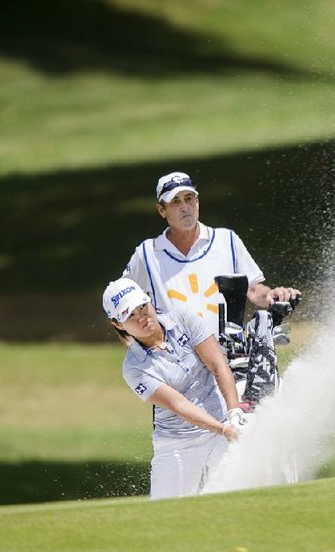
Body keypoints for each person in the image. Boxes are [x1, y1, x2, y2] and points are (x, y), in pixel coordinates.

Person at [122, 171, 301, 407]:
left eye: (189, 199)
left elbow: (253, 289)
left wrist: (272, 296)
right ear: (161, 210)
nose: (184, 207)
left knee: (243, 429)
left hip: (231, 360)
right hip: (182, 372)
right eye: (175, 201)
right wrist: (136, 345)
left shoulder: (226, 241)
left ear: (198, 202)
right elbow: (121, 304)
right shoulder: (147, 254)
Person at [102, 277, 246, 499]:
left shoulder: (182, 319)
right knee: (166, 512)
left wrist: (234, 412)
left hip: (222, 420)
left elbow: (217, 364)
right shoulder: (134, 368)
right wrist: (223, 429)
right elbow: (180, 405)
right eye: (130, 315)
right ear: (118, 324)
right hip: (177, 443)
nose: (142, 317)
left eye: (142, 307)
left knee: (235, 492)